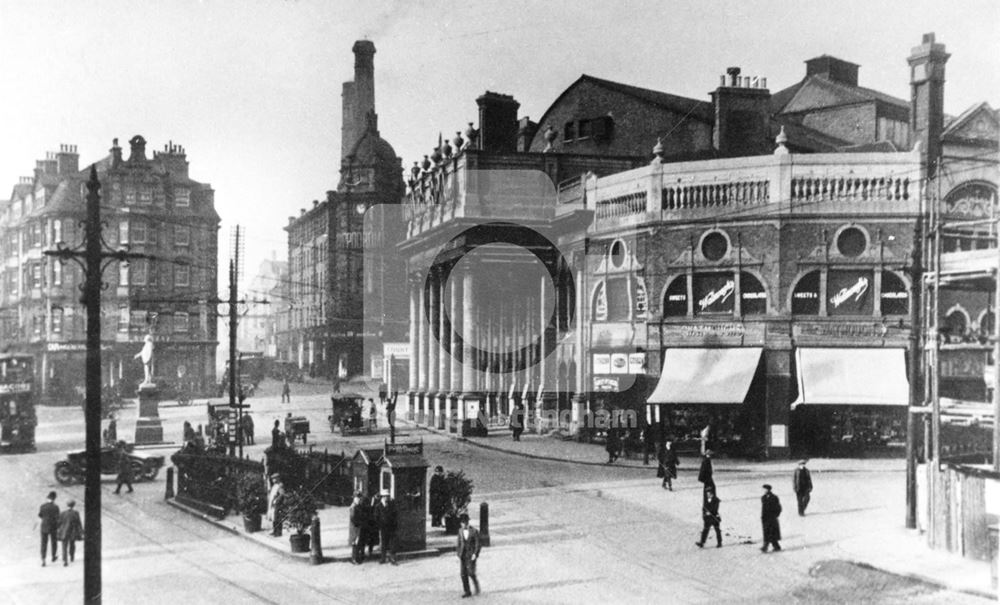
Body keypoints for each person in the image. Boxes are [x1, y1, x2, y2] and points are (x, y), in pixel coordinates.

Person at [456, 512, 482, 598]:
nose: (463, 524)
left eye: (465, 522)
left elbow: (478, 544)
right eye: (462, 523)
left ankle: (477, 586)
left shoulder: (474, 531)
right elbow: (459, 543)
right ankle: (467, 591)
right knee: (463, 574)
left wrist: (475, 553)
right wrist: (458, 553)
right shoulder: (460, 531)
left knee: (471, 572)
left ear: (467, 522)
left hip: (471, 555)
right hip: (463, 555)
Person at [374, 489, 398, 565]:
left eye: (387, 496)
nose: (386, 498)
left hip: (391, 527)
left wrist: (394, 524)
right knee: (384, 543)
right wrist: (380, 525)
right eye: (385, 496)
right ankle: (383, 558)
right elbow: (376, 517)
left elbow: (395, 515)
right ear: (382, 497)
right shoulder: (378, 506)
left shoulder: (391, 505)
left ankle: (392, 558)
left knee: (392, 543)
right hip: (383, 528)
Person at [57, 499, 83, 566]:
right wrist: (82, 532)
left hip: (64, 532)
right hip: (72, 532)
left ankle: (65, 560)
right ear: (73, 505)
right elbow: (79, 523)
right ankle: (72, 556)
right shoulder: (76, 513)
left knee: (64, 546)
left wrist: (57, 530)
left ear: (67, 505)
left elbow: (59, 523)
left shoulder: (63, 513)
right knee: (72, 544)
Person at [38, 491, 60, 566]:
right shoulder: (56, 507)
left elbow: (40, 515)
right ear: (54, 499)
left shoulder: (42, 506)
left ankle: (43, 559)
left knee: (44, 543)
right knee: (54, 542)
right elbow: (58, 517)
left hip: (44, 526)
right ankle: (53, 556)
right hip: (53, 527)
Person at [760, 484, 783, 553]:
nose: (764, 490)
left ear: (769, 489)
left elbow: (779, 507)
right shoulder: (763, 497)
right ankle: (776, 546)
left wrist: (775, 515)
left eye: (765, 489)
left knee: (770, 533)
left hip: (772, 518)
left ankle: (765, 547)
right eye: (763, 489)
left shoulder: (774, 497)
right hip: (765, 518)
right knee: (768, 533)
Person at [348, 493, 366, 564]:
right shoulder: (353, 507)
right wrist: (359, 523)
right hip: (355, 528)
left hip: (358, 527)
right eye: (357, 498)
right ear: (354, 498)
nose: (359, 500)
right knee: (355, 543)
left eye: (359, 498)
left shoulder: (358, 506)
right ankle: (354, 559)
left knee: (358, 542)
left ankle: (356, 558)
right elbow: (353, 518)